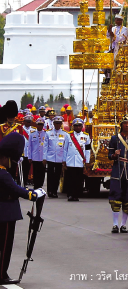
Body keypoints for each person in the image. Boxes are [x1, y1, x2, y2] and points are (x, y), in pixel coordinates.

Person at [0, 133, 47, 282]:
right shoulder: (3, 173)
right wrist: (33, 194)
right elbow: (16, 189)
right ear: (5, 157)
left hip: (5, 211)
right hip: (6, 212)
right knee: (5, 247)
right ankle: (1, 275)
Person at [108, 118, 128, 230]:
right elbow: (109, 155)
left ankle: (123, 224)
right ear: (121, 125)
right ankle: (115, 224)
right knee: (116, 195)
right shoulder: (115, 138)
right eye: (125, 123)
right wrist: (114, 155)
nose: (127, 125)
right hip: (118, 169)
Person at [63, 118, 90, 202]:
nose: (78, 127)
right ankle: (70, 194)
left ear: (82, 126)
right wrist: (64, 161)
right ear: (73, 127)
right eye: (76, 126)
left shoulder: (86, 136)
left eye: (79, 126)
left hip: (80, 161)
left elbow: (88, 150)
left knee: (79, 180)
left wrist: (87, 161)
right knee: (70, 179)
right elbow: (65, 148)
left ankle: (76, 195)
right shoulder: (68, 135)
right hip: (70, 161)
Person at [45, 115, 68, 198]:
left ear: (61, 124)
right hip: (50, 157)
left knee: (57, 175)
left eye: (59, 123)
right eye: (56, 123)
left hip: (59, 157)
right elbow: (45, 146)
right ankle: (49, 191)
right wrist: (44, 158)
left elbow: (65, 148)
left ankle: (54, 191)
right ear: (53, 123)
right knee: (50, 174)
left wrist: (64, 159)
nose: (57, 125)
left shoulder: (65, 134)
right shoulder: (48, 133)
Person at [27, 118, 47, 190]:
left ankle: (40, 185)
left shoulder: (46, 134)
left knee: (42, 172)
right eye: (39, 124)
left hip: (42, 156)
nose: (40, 126)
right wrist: (29, 157)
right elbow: (29, 146)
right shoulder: (32, 134)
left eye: (41, 125)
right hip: (35, 156)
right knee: (35, 171)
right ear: (36, 125)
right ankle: (36, 185)